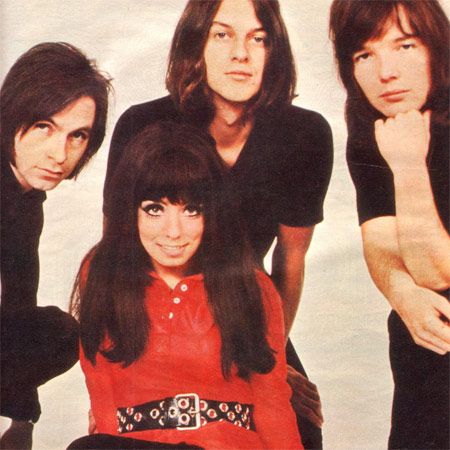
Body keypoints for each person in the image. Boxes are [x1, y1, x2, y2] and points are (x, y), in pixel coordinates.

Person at [103, 1, 333, 447]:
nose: (240, 54)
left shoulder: (304, 135)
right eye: (222, 35)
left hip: (246, 316)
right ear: (196, 44)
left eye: (258, 38)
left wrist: (269, 359)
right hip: (151, 319)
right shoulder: (142, 124)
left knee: (301, 424)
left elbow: (291, 257)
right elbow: (118, 253)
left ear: (274, 49)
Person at [67, 121, 302, 450]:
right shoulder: (102, 271)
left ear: (212, 213)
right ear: (130, 211)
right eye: (154, 210)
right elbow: (103, 393)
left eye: (192, 210)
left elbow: (272, 405)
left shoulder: (251, 286)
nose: (174, 232)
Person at [329, 1, 449, 448]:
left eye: (404, 46)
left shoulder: (403, 142)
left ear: (437, 46)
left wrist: (409, 166)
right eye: (365, 55)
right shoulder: (378, 127)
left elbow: (437, 271)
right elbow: (378, 239)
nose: (386, 73)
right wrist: (401, 291)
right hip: (428, 357)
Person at [0, 42, 111, 449]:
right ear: (12, 113)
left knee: (59, 333)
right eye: (45, 127)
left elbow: (18, 308)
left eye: (77, 135)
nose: (60, 154)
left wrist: (22, 420)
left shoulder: (26, 201)